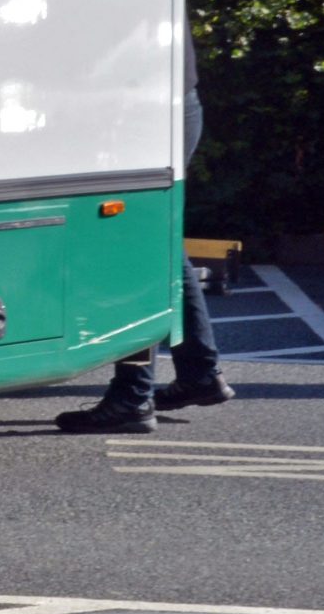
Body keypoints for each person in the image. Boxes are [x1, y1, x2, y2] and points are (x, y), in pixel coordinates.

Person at [57, 35, 231, 434]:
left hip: (140, 109)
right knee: (161, 245)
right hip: (172, 103)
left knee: (136, 250)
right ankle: (199, 372)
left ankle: (133, 397)